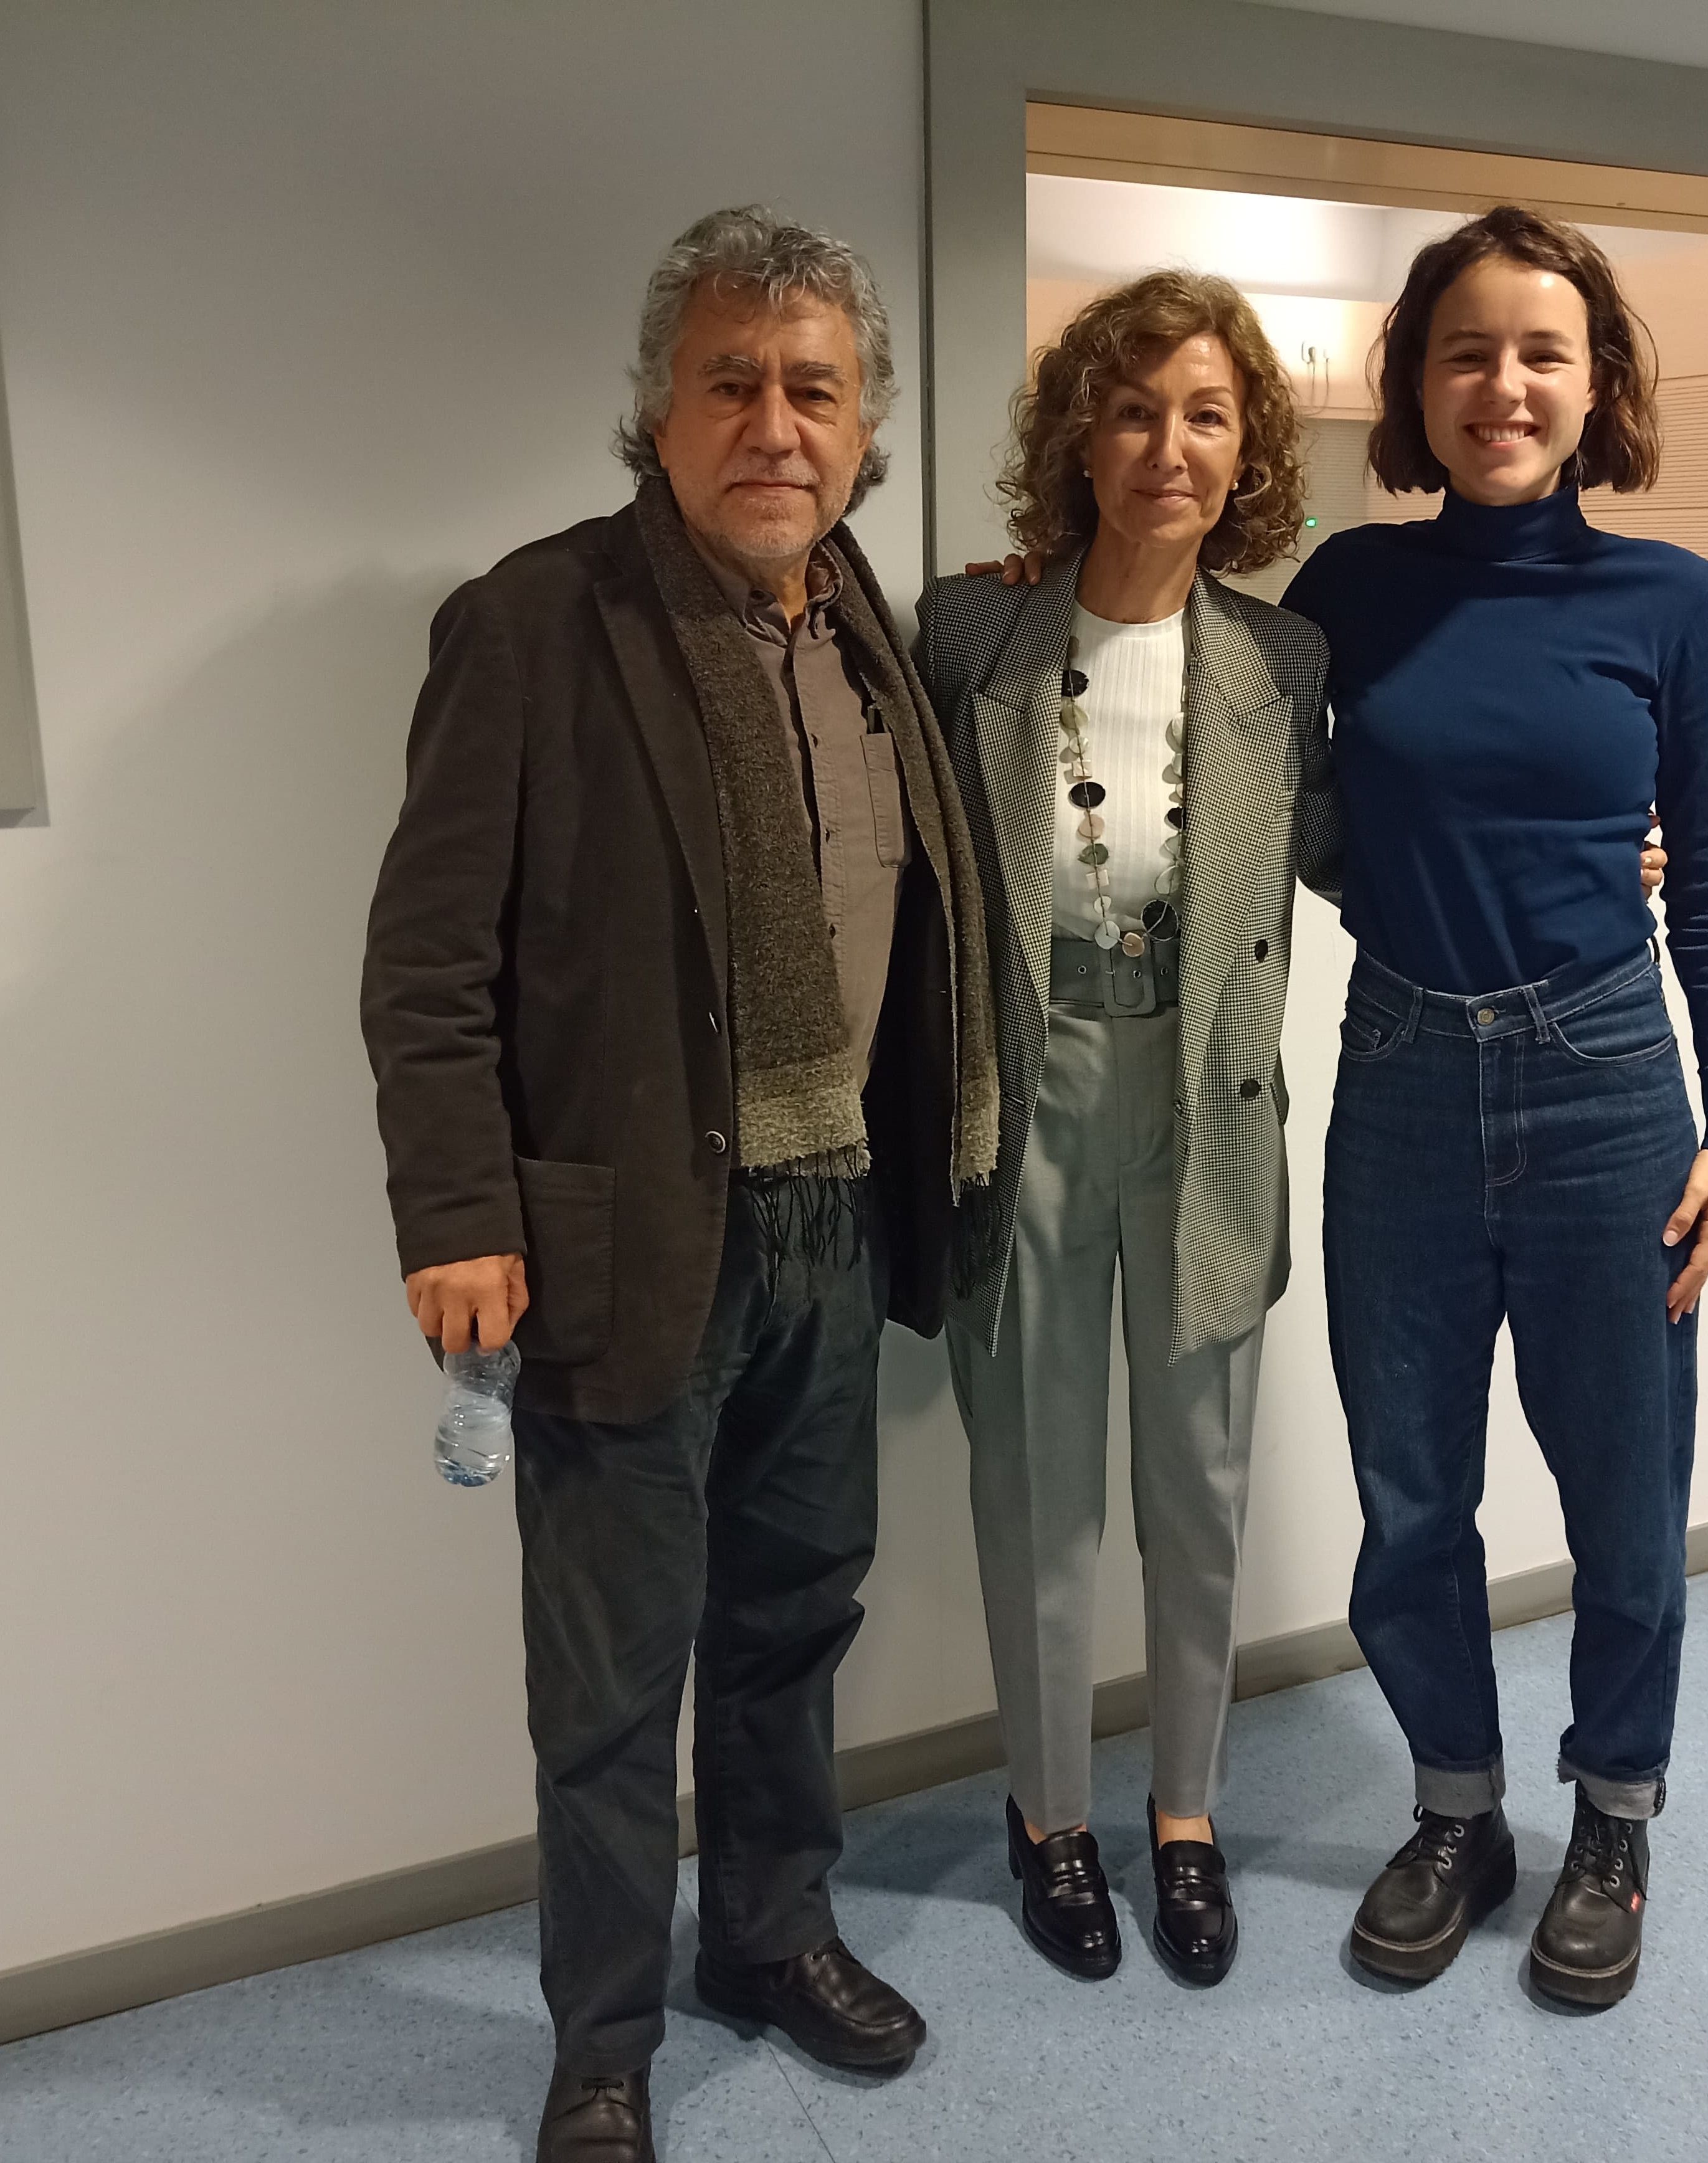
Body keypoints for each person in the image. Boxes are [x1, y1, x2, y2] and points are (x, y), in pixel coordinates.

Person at [359, 207, 999, 2163]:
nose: (775, 424)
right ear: (657, 411)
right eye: (733, 382)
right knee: (614, 1682)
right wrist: (458, 1212)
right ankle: (606, 2044)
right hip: (626, 1244)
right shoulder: (536, 624)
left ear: (866, 426)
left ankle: (773, 1936)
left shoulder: (873, 630)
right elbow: (428, 963)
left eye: (816, 388)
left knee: (796, 1616)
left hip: (831, 1225)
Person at [1281, 204, 1708, 2010]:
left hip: (1610, 1089)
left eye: (1542, 352)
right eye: (1465, 351)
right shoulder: (1349, 587)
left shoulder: (1670, 599)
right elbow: (1246, 771)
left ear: (1596, 382)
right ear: (1416, 383)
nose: (1504, 384)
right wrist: (1041, 586)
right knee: (1412, 1495)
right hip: (1399, 1078)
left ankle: (1614, 1823)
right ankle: (1459, 1813)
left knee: (1626, 1496)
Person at [916, 272, 1329, 1987]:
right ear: (1080, 437)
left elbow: (1366, 844)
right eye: (1136, 410)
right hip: (1031, 1092)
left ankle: (1185, 1813)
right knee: (1036, 1485)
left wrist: (1605, 848)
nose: (1171, 446)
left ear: (1249, 451)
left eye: (1207, 415)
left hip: (1207, 1102)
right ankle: (1050, 1816)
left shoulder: (1282, 660)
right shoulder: (974, 635)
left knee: (1200, 1483)